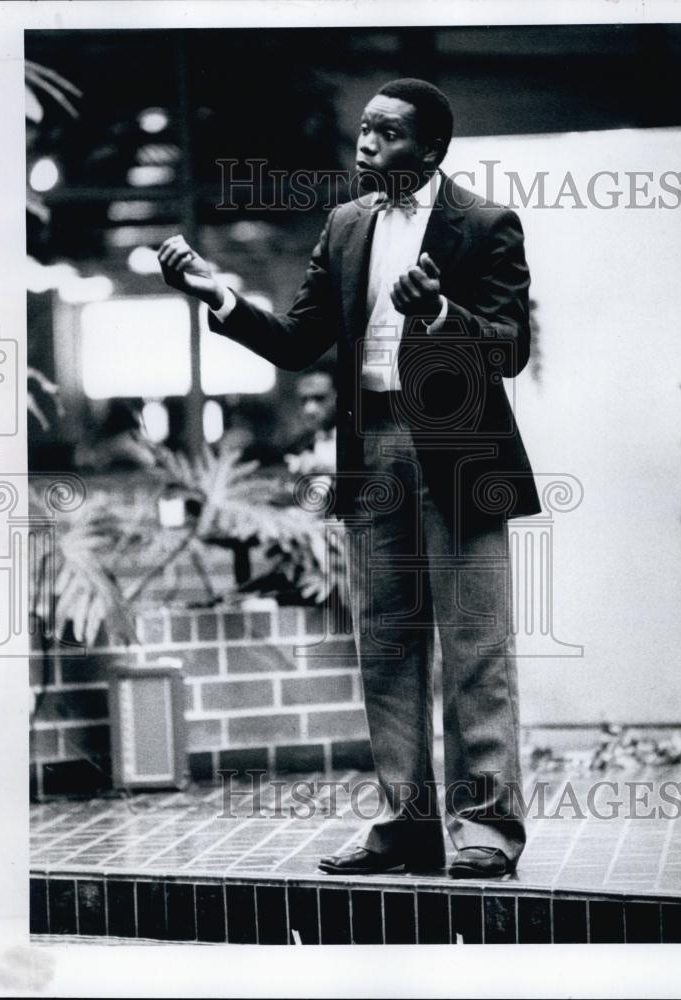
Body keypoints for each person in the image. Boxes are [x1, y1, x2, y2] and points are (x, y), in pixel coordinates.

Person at [158, 77, 540, 878]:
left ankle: (488, 830)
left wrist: (439, 318)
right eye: (364, 131)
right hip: (373, 452)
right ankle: (405, 826)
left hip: (462, 451)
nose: (366, 144)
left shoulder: (485, 224)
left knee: (474, 646)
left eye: (387, 133)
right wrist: (218, 297)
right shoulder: (345, 225)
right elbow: (300, 341)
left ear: (429, 149)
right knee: (388, 647)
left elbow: (507, 348)